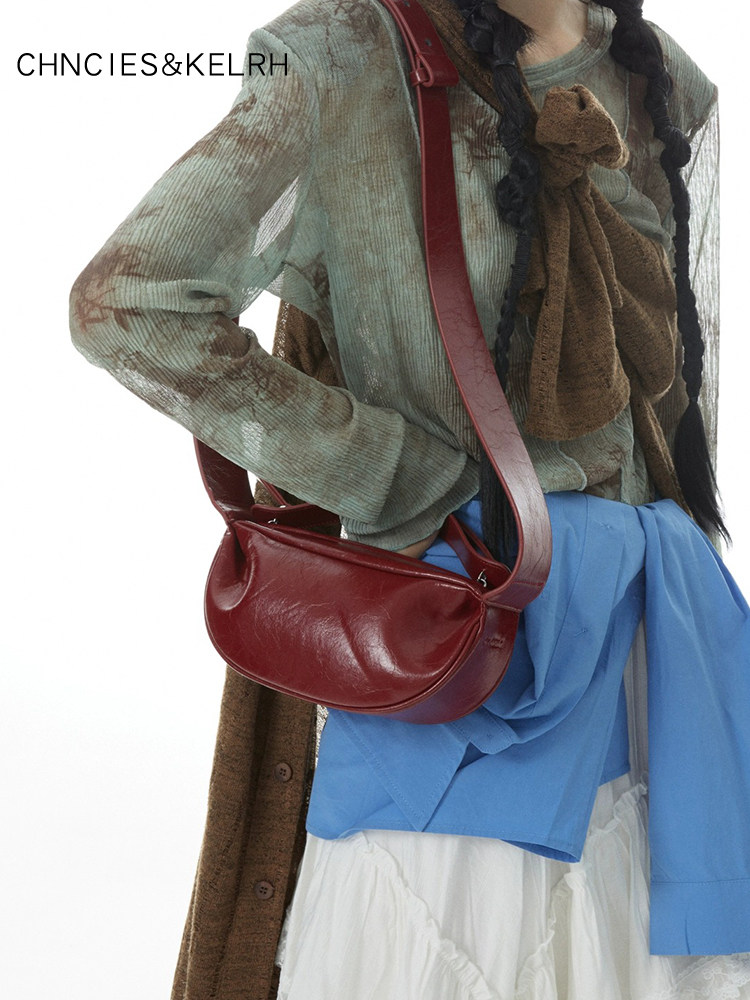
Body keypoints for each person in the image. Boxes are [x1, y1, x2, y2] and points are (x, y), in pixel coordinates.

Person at [69, 0, 750, 997]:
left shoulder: (667, 80)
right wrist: (400, 477)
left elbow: (683, 387)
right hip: (460, 639)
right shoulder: (341, 55)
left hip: (651, 653)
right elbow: (129, 303)